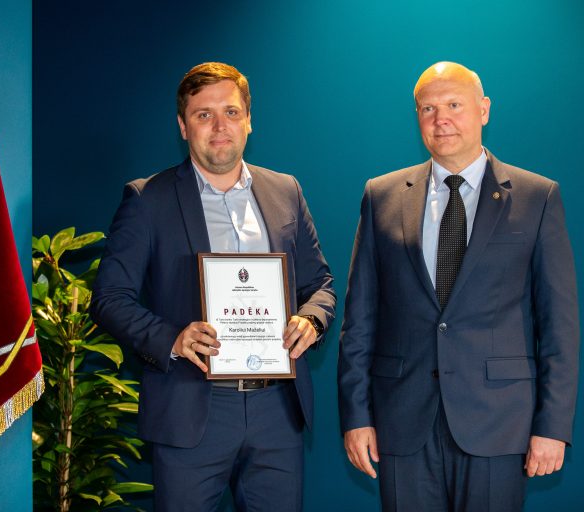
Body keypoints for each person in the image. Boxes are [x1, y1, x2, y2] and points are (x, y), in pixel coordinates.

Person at [92, 62, 335, 511]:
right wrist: (173, 339)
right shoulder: (148, 199)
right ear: (183, 126)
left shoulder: (286, 190)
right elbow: (109, 298)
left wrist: (311, 320)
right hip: (192, 407)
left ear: (249, 120)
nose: (220, 126)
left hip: (277, 411)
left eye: (231, 112)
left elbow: (320, 284)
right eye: (204, 115)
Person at [338, 61, 579, 511]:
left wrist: (552, 425)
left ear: (483, 110)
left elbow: (559, 325)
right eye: (428, 109)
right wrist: (356, 416)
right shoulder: (381, 196)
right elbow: (359, 320)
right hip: (402, 422)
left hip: (499, 424)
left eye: (454, 105)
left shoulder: (536, 196)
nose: (440, 119)